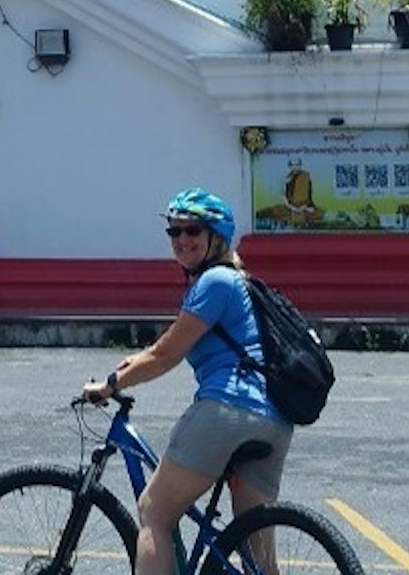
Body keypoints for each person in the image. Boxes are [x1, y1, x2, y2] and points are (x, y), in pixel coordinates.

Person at [80, 188, 292, 575]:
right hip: (275, 418)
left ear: (217, 236)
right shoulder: (240, 282)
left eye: (192, 231)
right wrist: (135, 362)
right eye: (174, 233)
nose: (182, 241)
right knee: (256, 554)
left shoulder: (214, 282)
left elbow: (166, 355)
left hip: (227, 410)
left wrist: (111, 383)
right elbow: (171, 342)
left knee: (154, 512)